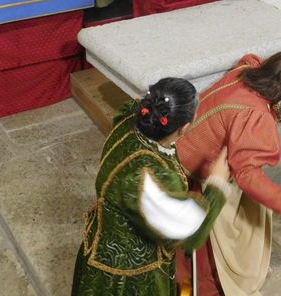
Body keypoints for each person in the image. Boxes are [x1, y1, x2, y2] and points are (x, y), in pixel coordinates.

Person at [176, 51, 281, 295]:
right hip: (194, 178)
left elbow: (251, 58)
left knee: (256, 207)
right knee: (214, 256)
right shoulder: (254, 114)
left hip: (185, 151)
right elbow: (248, 175)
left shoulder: (244, 73)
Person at [71, 77, 231, 296]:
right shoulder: (148, 176)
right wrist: (217, 185)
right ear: (184, 129)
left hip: (102, 240)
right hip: (127, 274)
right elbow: (187, 227)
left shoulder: (131, 118)